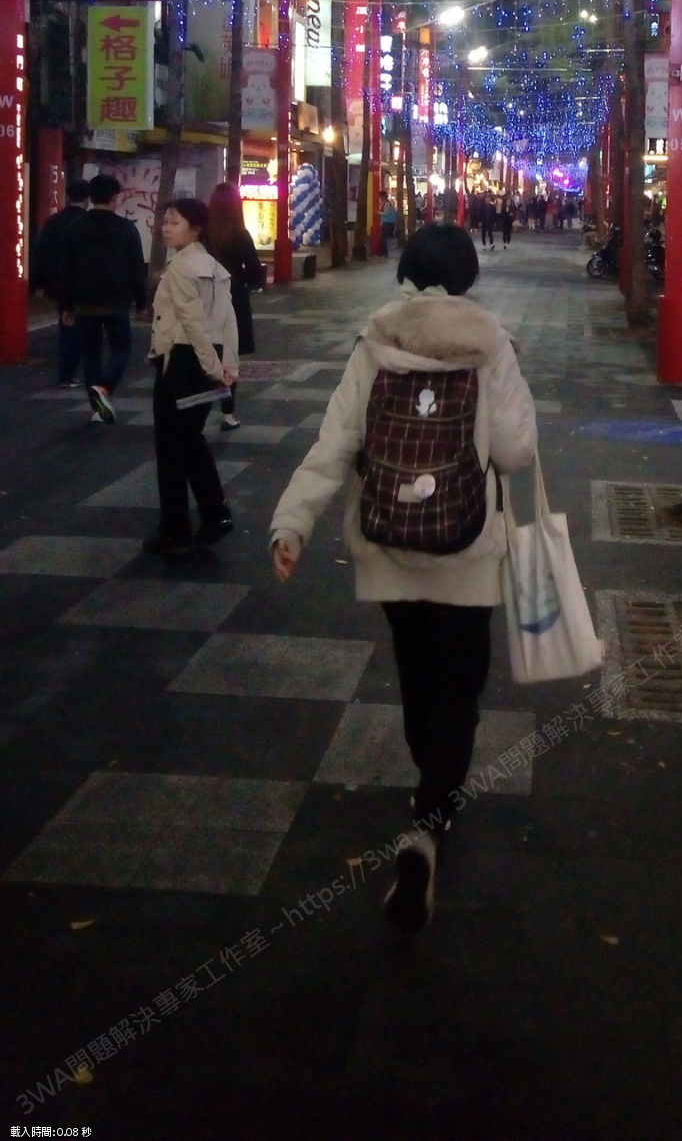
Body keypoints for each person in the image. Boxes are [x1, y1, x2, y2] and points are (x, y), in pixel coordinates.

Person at [269, 224, 537, 934]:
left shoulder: (373, 342)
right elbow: (515, 451)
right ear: (469, 275)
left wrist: (291, 523)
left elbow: (335, 443)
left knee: (419, 677)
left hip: (388, 543)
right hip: (467, 548)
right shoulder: (490, 344)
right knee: (460, 687)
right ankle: (429, 822)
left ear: (408, 272)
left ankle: (429, 785)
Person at [146, 198, 239, 558]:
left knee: (171, 451)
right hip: (205, 359)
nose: (166, 228)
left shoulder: (183, 268)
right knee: (191, 443)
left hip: (183, 362)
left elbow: (193, 323)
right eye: (166, 222)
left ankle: (176, 530)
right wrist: (227, 366)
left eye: (175, 223)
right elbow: (228, 321)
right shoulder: (215, 266)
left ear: (196, 229)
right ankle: (214, 515)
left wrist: (214, 368)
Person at [56, 174, 148, 423]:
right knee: (122, 349)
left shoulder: (74, 228)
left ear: (91, 197)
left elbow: (65, 269)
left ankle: (97, 409)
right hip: (116, 300)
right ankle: (105, 389)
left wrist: (66, 305)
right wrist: (141, 303)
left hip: (84, 301)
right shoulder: (126, 228)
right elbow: (137, 268)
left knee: (91, 355)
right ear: (115, 197)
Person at [207, 181, 263, 430]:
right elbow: (254, 271)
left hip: (205, 294)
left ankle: (199, 406)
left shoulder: (203, 234)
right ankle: (228, 414)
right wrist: (243, 278)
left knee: (206, 350)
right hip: (233, 296)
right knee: (230, 354)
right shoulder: (240, 234)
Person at [31, 178, 90, 386]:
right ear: (88, 198)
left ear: (68, 196)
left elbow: (40, 251)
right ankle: (69, 373)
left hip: (58, 281)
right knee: (80, 327)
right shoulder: (87, 222)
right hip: (84, 282)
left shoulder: (54, 221)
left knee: (67, 323)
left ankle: (66, 373)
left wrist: (39, 282)